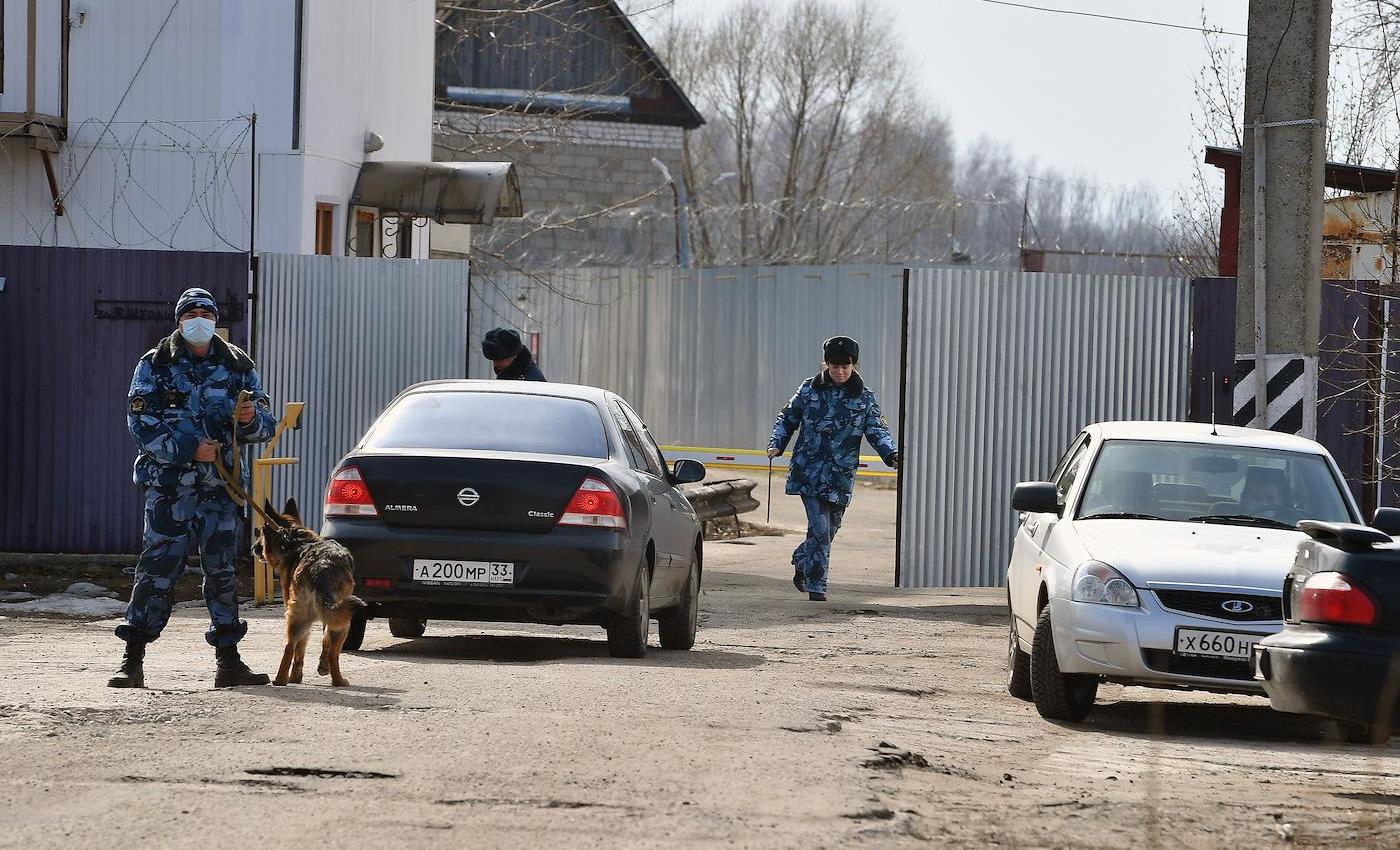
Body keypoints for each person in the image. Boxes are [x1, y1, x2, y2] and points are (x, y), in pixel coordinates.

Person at [109, 288, 278, 689]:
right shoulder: (155, 364)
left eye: (205, 312)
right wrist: (189, 450)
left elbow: (264, 426)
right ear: (179, 320)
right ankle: (132, 658)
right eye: (191, 313)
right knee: (156, 569)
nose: (198, 319)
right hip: (171, 489)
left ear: (215, 318)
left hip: (220, 489)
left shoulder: (237, 364)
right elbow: (140, 424)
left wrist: (251, 417)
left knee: (221, 571)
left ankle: (229, 660)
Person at [767, 336, 900, 601]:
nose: (840, 371)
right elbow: (787, 418)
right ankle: (817, 587)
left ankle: (802, 559)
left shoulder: (864, 397)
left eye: (845, 366)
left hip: (840, 475)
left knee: (828, 530)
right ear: (825, 364)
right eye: (834, 366)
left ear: (854, 365)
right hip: (809, 471)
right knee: (819, 527)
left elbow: (877, 430)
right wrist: (777, 444)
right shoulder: (809, 390)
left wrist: (892, 454)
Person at [481, 327, 546, 381]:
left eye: (499, 360)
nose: (495, 364)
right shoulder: (510, 373)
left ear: (514, 356)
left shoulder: (530, 381)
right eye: (494, 360)